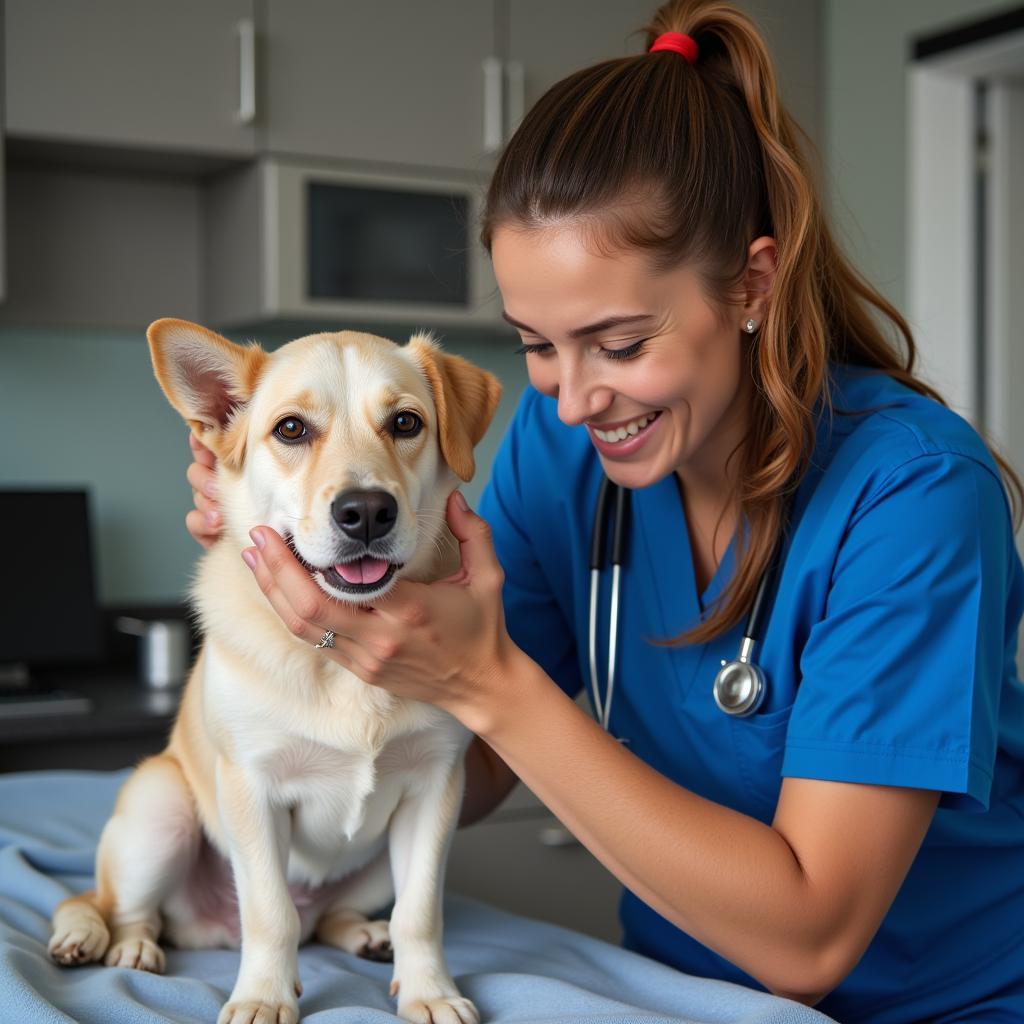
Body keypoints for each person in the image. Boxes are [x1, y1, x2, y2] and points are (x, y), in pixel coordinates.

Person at [183, 2, 1024, 1020]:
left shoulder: (915, 494)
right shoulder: (563, 444)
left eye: (619, 344)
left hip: (947, 999)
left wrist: (490, 680)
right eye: (537, 344)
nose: (574, 397)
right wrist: (325, 599)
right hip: (684, 987)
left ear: (751, 284)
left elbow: (812, 937)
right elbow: (472, 760)